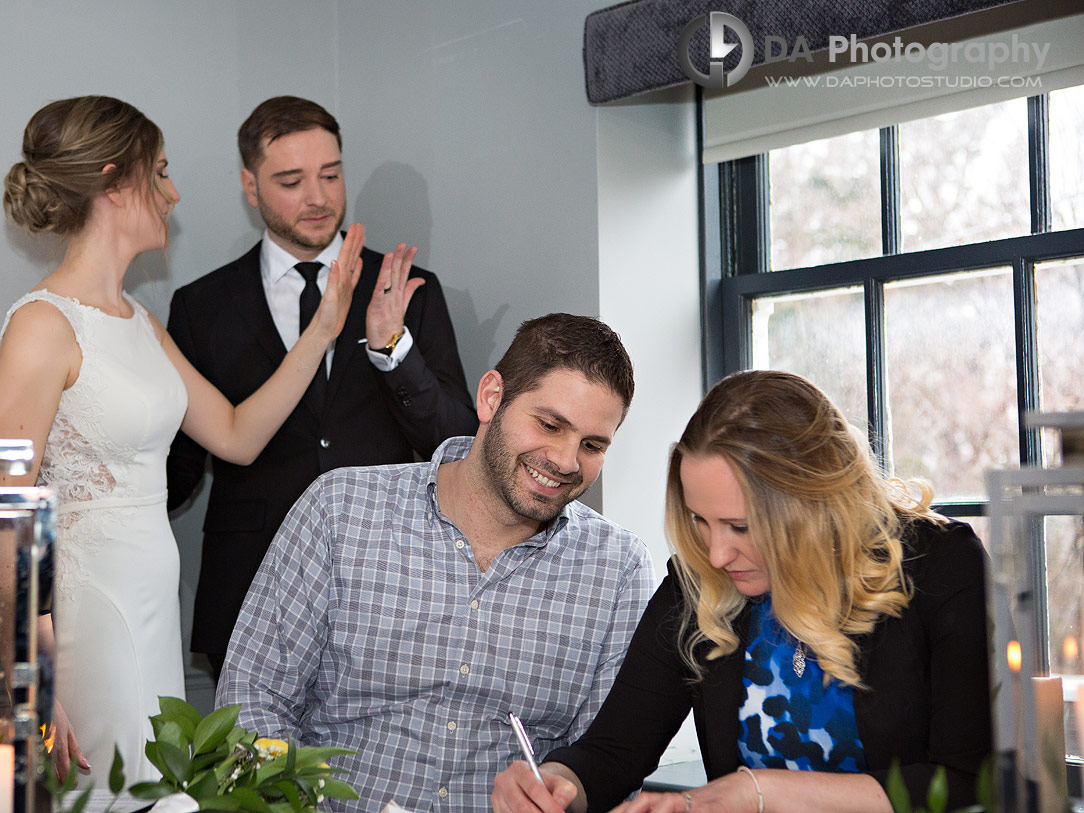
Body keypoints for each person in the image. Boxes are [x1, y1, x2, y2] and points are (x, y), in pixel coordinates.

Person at [0, 95, 364, 783]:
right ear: (115, 183)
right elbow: (0, 516)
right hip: (89, 616)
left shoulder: (139, 319)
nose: (174, 191)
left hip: (156, 603)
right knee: (106, 788)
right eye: (159, 172)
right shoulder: (41, 325)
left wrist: (325, 327)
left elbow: (237, 435)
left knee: (156, 785)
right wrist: (28, 676)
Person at [492, 370, 991, 813]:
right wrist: (557, 785)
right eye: (700, 521)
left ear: (815, 503)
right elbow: (614, 752)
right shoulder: (700, 585)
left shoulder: (941, 565)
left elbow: (969, 782)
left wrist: (757, 793)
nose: (715, 555)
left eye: (740, 526)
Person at [218, 313, 657, 811]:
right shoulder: (340, 509)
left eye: (592, 445)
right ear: (492, 397)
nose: (565, 460)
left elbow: (606, 760)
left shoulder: (619, 570)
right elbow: (253, 702)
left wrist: (566, 792)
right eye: (550, 424)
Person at [164, 95, 478, 677]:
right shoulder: (200, 307)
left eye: (331, 175)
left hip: (388, 588)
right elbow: (178, 470)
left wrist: (393, 351)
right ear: (249, 186)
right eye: (291, 180)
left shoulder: (408, 288)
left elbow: (457, 441)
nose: (318, 198)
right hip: (246, 589)